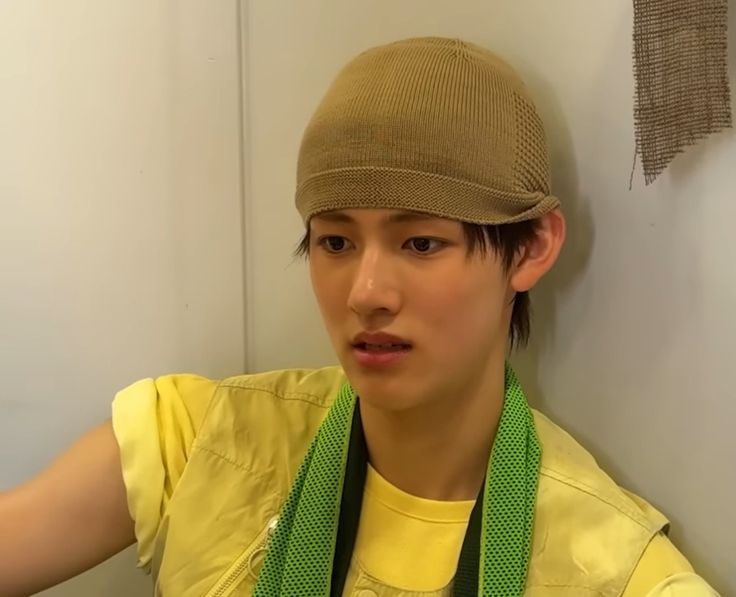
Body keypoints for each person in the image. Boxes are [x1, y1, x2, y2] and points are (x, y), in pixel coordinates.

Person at [0, 37, 720, 597]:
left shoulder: (613, 569)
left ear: (530, 248)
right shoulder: (204, 441)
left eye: (420, 243)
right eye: (336, 242)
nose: (366, 292)